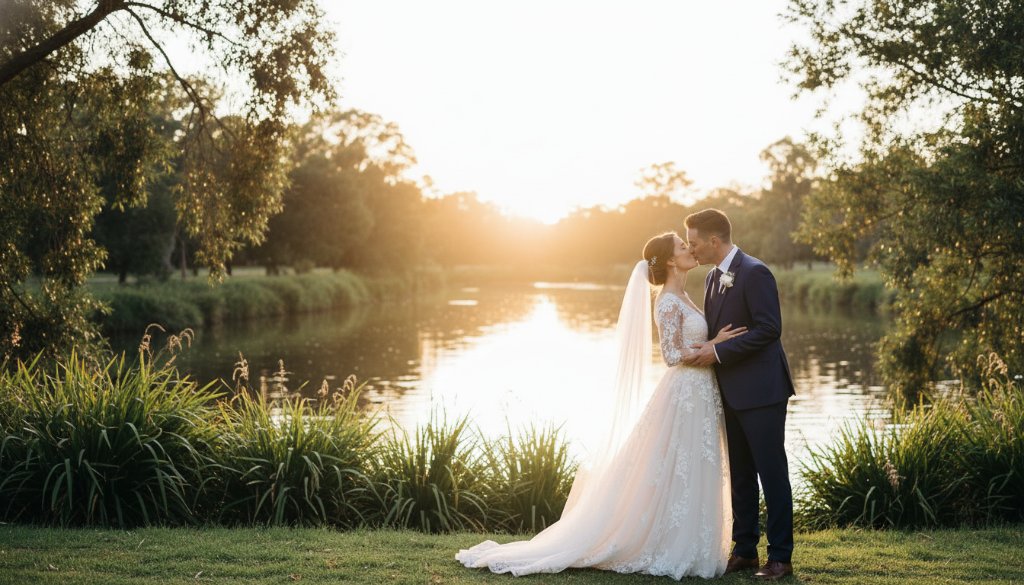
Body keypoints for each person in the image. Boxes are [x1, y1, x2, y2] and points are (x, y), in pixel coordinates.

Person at [456, 232, 745, 579]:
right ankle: (664, 542)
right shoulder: (667, 301)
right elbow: (670, 356)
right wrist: (714, 344)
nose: (690, 249)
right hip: (684, 392)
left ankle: (692, 541)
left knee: (693, 464)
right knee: (679, 464)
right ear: (669, 260)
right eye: (683, 247)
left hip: (700, 391)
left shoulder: (683, 294)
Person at [682, 209, 796, 581]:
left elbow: (769, 329)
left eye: (695, 242)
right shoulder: (714, 277)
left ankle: (780, 557)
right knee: (741, 475)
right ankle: (745, 549)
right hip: (729, 391)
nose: (691, 248)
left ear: (714, 240)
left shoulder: (754, 271)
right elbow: (720, 331)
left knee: (772, 473)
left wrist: (715, 353)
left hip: (762, 392)